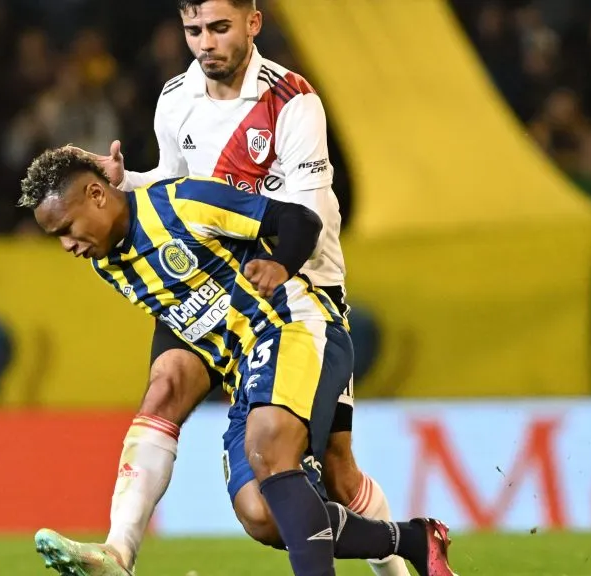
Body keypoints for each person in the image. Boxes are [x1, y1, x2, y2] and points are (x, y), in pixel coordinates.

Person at [73, 1, 410, 575]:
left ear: (253, 24)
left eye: (219, 28)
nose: (206, 42)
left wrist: (280, 265)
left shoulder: (294, 101)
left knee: (337, 467)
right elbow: (176, 187)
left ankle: (402, 557)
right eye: (194, 30)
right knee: (165, 384)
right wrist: (127, 182)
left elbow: (305, 212)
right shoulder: (175, 100)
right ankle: (118, 552)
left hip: (298, 284)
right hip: (211, 282)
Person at [18, 146, 458, 576]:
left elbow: (299, 219)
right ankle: (412, 540)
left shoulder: (181, 203)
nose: (67, 245)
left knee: (272, 449)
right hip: (244, 374)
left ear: (97, 195)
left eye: (67, 228)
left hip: (293, 327)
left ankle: (121, 550)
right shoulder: (107, 263)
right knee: (262, 515)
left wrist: (282, 264)